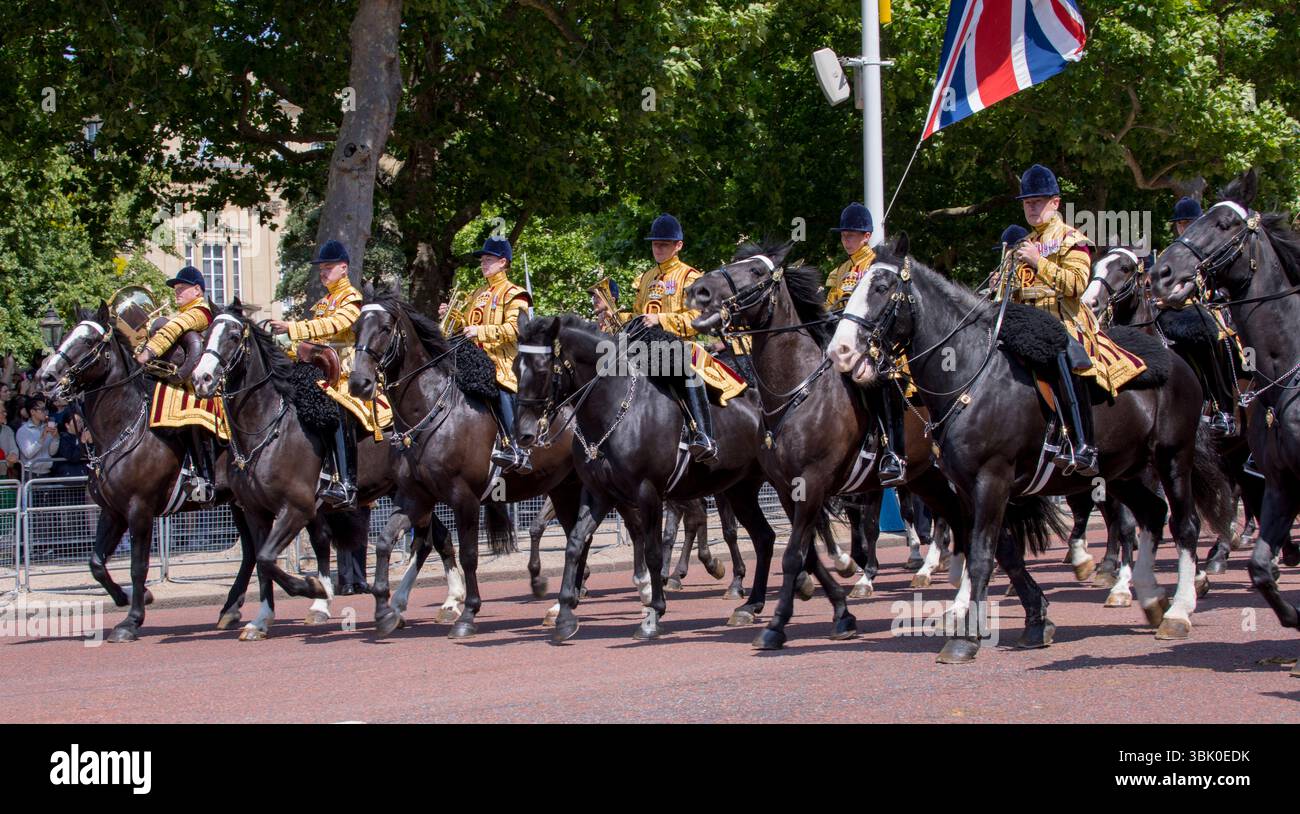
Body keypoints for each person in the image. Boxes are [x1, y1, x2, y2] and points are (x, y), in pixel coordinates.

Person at [1000, 164, 1146, 477]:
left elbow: (1077, 285)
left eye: (1038, 201)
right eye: (1028, 202)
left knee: (1062, 355)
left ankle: (1083, 443)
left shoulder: (1072, 239)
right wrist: (1004, 281)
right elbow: (1008, 293)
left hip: (1062, 321)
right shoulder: (1023, 244)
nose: (1032, 207)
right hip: (1023, 323)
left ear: (1055, 203)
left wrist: (1039, 263)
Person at [594, 213, 745, 463]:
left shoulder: (691, 278)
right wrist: (616, 316)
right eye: (655, 244)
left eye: (664, 244)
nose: (658, 249)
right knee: (605, 366)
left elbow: (697, 318)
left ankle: (703, 435)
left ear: (678, 246)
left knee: (683, 368)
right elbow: (638, 314)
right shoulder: (646, 278)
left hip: (679, 344)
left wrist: (661, 319)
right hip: (642, 345)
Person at [268, 240, 365, 506]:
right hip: (318, 371)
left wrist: (293, 328)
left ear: (343, 268)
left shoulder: (352, 298)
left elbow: (337, 324)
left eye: (328, 268)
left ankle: (347, 482)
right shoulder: (323, 302)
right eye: (321, 269)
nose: (323, 273)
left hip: (344, 372)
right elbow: (312, 336)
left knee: (338, 411)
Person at [826, 202, 905, 485]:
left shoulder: (877, 266)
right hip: (845, 343)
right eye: (843, 234)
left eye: (852, 234)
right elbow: (830, 305)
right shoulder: (839, 271)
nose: (846, 239)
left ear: (866, 236)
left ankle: (895, 454)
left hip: (875, 346)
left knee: (883, 384)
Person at [440, 235, 533, 473]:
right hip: (472, 356)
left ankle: (515, 446)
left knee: (501, 384)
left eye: (488, 260)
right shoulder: (478, 293)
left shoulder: (515, 293)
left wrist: (480, 331)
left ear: (503, 262)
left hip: (502, 359)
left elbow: (515, 330)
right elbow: (466, 325)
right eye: (482, 260)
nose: (483, 264)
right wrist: (451, 316)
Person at [1168, 196, 1239, 435]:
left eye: (1189, 222)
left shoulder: (1213, 247)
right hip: (1168, 312)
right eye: (1180, 223)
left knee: (1209, 335)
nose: (1184, 227)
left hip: (1210, 309)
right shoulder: (1172, 252)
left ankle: (1224, 408)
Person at [16, 395, 59, 480]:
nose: (45, 412)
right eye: (42, 410)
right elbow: (28, 453)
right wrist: (42, 438)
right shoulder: (23, 430)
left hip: (46, 472)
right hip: (30, 473)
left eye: (45, 409)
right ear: (32, 412)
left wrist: (56, 438)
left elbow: (52, 452)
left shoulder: (47, 427)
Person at [53, 408, 91, 478]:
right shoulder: (63, 438)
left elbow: (92, 455)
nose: (80, 424)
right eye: (76, 422)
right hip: (68, 479)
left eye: (81, 421)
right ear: (67, 425)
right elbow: (72, 457)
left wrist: (91, 443)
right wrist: (82, 442)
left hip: (84, 477)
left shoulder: (83, 436)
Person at [0, 401, 19, 479]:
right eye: (2, 412)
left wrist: (13, 455)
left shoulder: (8, 430)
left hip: (4, 475)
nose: (5, 414)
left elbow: (14, 450)